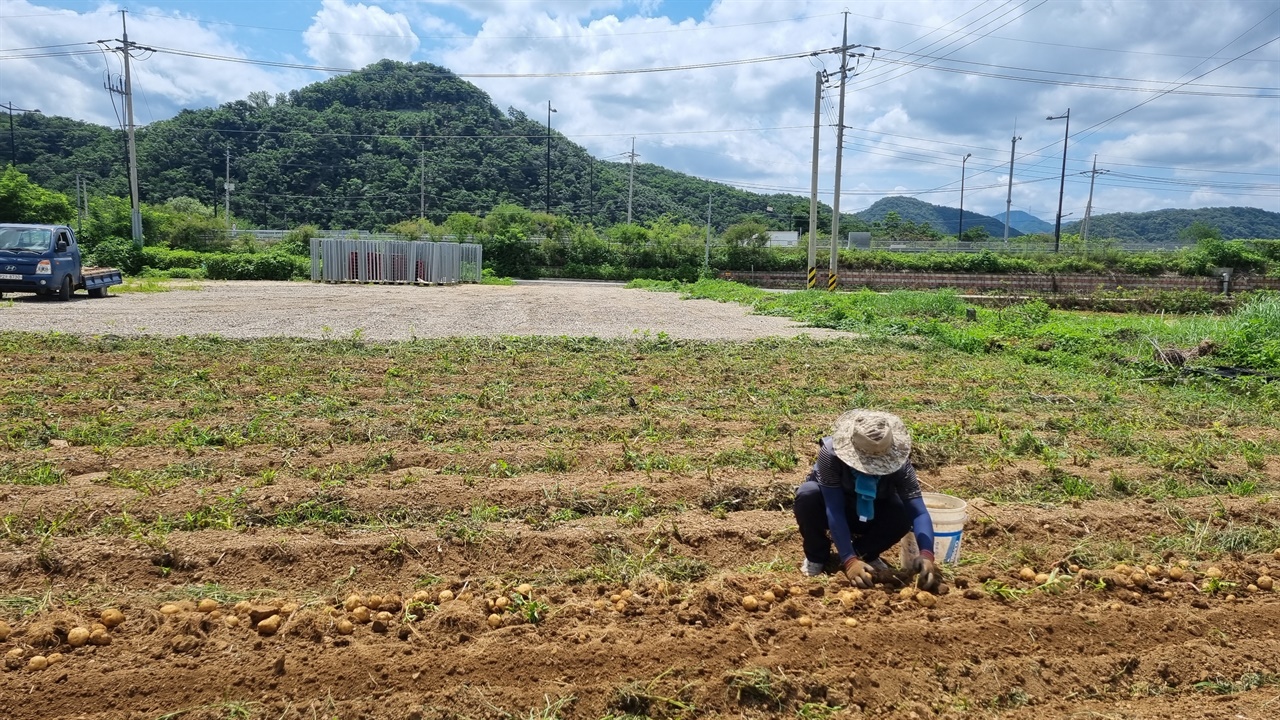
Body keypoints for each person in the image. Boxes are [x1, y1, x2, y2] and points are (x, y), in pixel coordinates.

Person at [793, 409, 940, 591]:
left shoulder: (901, 464)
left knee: (902, 509)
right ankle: (817, 556)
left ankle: (865, 553)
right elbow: (834, 508)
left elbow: (918, 511)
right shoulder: (830, 455)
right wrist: (849, 561)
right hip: (836, 509)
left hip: (874, 511)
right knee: (808, 494)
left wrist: (927, 554)